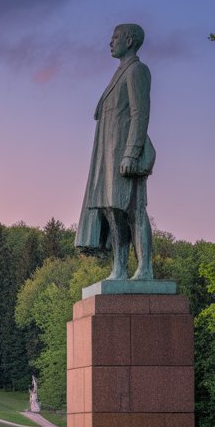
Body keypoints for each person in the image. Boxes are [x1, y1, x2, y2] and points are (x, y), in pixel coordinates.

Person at [76, 23, 155, 280]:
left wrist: (131, 152)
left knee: (134, 210)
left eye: (116, 37)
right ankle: (119, 268)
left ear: (129, 41)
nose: (111, 42)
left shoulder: (137, 71)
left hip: (125, 156)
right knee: (113, 211)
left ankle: (144, 268)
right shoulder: (118, 74)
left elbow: (140, 113)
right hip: (108, 158)